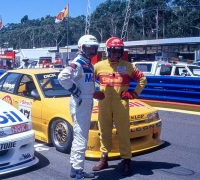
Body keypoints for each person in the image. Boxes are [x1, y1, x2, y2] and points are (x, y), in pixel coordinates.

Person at [92, 37, 147, 176]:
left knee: (123, 133)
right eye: (114, 51)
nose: (116, 54)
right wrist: (94, 92)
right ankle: (104, 159)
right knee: (104, 132)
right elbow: (88, 81)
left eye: (119, 51)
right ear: (108, 51)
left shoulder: (128, 66)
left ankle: (127, 160)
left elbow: (142, 79)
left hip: (121, 104)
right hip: (104, 104)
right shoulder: (98, 66)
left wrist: (134, 93)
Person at [58, 34, 102, 179]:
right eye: (89, 49)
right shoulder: (78, 63)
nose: (92, 52)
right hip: (80, 103)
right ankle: (77, 171)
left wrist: (93, 93)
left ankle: (76, 169)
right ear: (81, 48)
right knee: (81, 137)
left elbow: (87, 83)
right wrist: (75, 91)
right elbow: (63, 77)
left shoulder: (88, 64)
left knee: (82, 135)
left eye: (94, 49)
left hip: (86, 101)